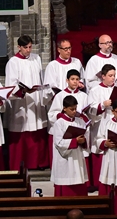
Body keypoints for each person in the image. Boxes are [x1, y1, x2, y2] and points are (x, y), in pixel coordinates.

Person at [4, 35, 51, 170]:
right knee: (22, 131)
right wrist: (23, 91)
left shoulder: (36, 58)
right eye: (25, 48)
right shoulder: (13, 62)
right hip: (21, 103)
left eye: (30, 47)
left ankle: (39, 162)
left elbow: (40, 77)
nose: (28, 50)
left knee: (37, 131)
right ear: (19, 47)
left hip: (36, 100)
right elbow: (11, 85)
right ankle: (20, 164)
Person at [86, 64, 117, 189]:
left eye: (114, 75)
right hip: (101, 125)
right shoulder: (95, 91)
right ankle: (100, 185)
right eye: (110, 76)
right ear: (103, 76)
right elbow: (91, 111)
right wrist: (103, 105)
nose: (113, 78)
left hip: (116, 124)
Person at [48, 69, 89, 167]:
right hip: (64, 129)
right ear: (67, 80)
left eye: (77, 79)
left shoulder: (84, 96)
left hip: (78, 126)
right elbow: (52, 114)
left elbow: (88, 113)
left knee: (78, 161)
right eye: (72, 79)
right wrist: (64, 115)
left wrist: (83, 116)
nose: (75, 81)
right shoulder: (60, 96)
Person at [52, 95, 89, 196]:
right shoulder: (59, 123)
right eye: (71, 109)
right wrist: (74, 141)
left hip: (77, 156)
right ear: (64, 108)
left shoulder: (80, 122)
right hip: (65, 159)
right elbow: (58, 143)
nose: (74, 111)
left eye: (75, 109)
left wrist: (83, 140)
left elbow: (86, 137)